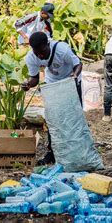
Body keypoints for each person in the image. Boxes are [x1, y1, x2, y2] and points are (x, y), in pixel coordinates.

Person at [22, 32, 83, 164]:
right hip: (52, 85)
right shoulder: (31, 57)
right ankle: (52, 152)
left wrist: (74, 76)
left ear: (47, 44)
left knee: (73, 118)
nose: (41, 55)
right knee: (53, 119)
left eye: (43, 51)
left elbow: (78, 64)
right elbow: (35, 79)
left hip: (71, 83)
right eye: (37, 52)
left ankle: (76, 150)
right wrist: (28, 85)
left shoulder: (62, 49)